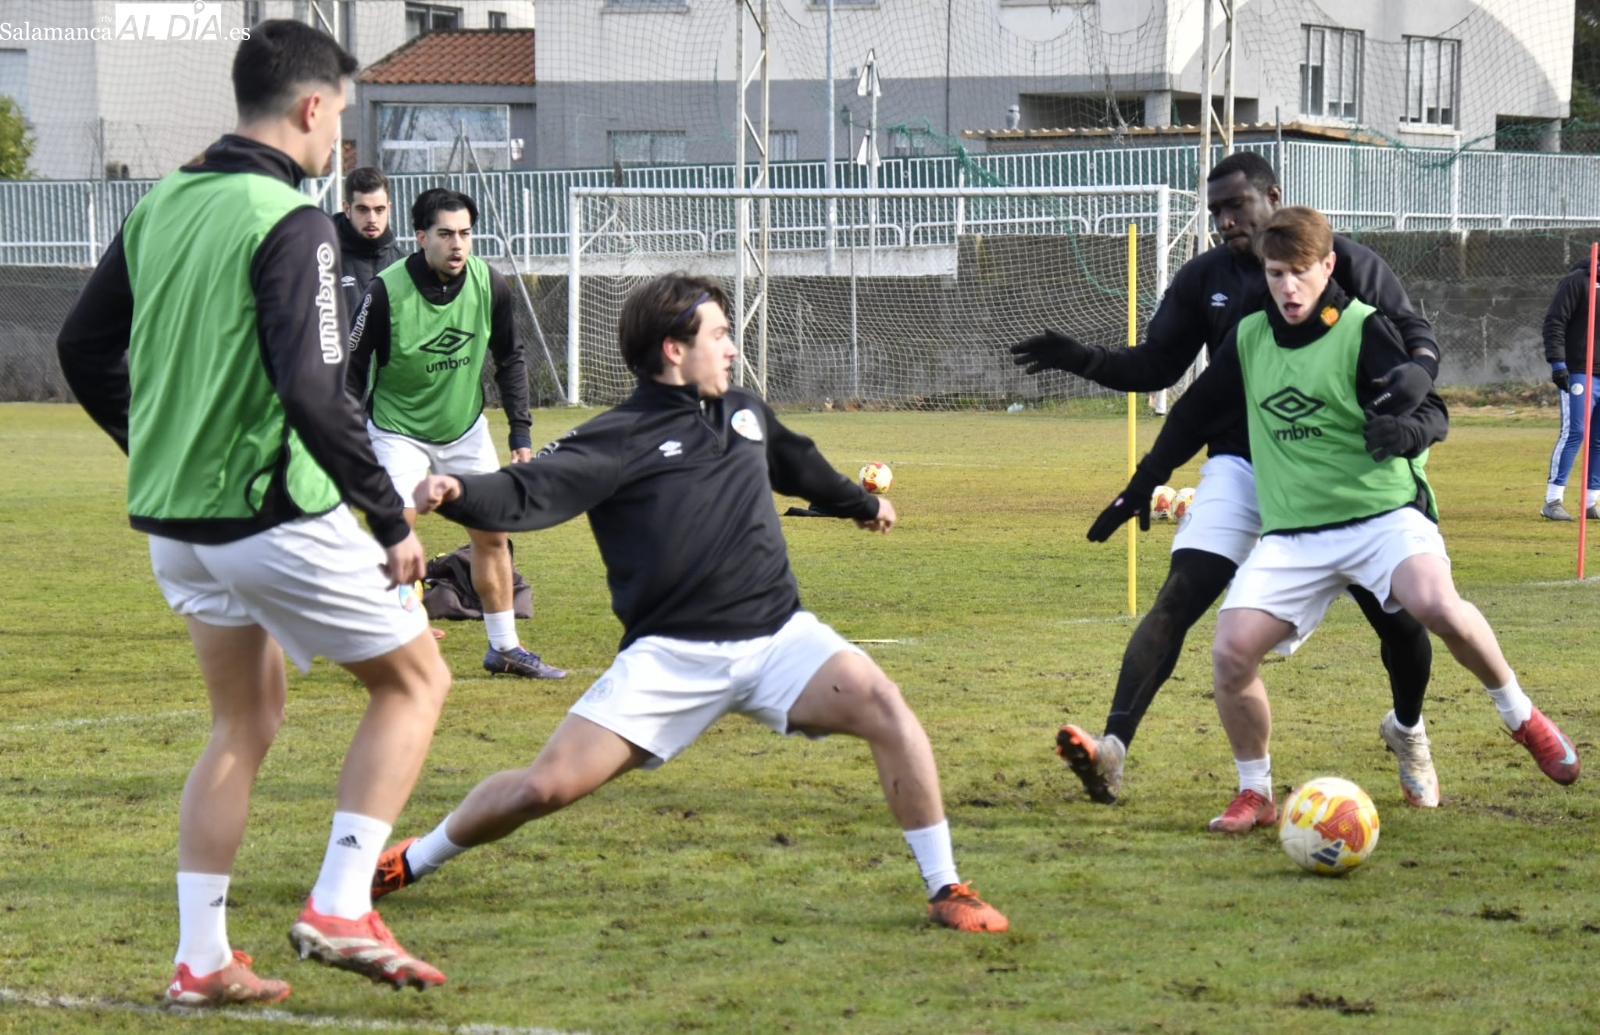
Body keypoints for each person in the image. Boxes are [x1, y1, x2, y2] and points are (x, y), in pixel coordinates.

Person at [367, 273, 1008, 934]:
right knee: (543, 788)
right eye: (720, 335)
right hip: (670, 657)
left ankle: (945, 887)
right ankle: (412, 858)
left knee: (886, 706)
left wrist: (862, 503)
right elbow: (529, 488)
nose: (731, 348)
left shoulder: (745, 412)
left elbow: (800, 464)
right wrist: (458, 490)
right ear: (674, 349)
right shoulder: (617, 436)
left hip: (778, 637)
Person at [55, 21, 451, 1004]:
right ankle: (339, 902)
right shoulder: (293, 220)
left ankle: (201, 962)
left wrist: (158, 450)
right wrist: (391, 521)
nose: (340, 146)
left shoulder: (165, 205)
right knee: (415, 683)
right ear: (312, 108)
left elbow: (79, 347)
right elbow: (315, 391)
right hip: (269, 517)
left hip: (177, 532)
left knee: (246, 720)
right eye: (341, 121)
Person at [1092, 206, 1581, 832]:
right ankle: (1256, 791)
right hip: (1296, 534)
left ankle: (1521, 717)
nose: (1288, 288)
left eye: (1301, 272)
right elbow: (1192, 415)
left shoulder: (1362, 328)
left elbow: (1434, 414)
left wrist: (1405, 426)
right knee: (1230, 653)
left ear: (1328, 266)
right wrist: (1143, 482)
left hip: (1382, 517)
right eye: (1275, 274)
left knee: (1433, 605)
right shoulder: (1249, 337)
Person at [1011, 151, 1441, 806]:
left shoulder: (1343, 262)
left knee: (1399, 620)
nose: (1225, 220)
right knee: (1179, 595)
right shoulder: (1205, 277)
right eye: (1215, 210)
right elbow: (1162, 369)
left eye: (1236, 204)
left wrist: (1413, 407)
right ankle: (1112, 749)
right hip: (1241, 463)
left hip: (1340, 469)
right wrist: (1086, 360)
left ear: (1272, 195)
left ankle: (1407, 727)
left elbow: (1413, 339)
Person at [347, 187, 565, 680]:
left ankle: (504, 648)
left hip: (464, 429)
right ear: (421, 237)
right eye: (445, 234)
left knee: (493, 536)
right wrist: (349, 443)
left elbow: (511, 358)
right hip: (396, 430)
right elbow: (350, 371)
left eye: (465, 233)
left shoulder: (491, 282)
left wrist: (521, 434)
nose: (457, 244)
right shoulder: (384, 292)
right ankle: (397, 642)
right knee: (396, 533)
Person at [1539, 257, 1600, 521]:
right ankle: (1553, 500)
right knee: (1575, 431)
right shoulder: (1577, 282)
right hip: (1578, 370)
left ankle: (1590, 502)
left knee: (1598, 439)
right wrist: (1558, 362)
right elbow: (1555, 322)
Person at [335, 165, 406, 319]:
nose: (372, 219)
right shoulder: (324, 262)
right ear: (347, 209)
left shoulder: (405, 263)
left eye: (379, 210)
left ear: (389, 209)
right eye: (362, 209)